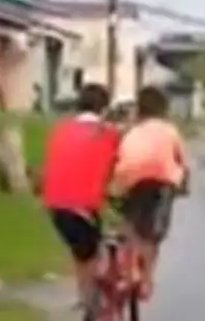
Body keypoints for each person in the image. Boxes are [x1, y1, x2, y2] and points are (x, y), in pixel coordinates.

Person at [41, 83, 121, 305]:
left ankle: (84, 299)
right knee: (94, 250)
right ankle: (93, 299)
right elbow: (118, 167)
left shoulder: (60, 131)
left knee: (80, 251)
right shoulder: (109, 134)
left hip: (55, 205)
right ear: (104, 109)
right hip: (86, 204)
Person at [113, 85, 189, 300]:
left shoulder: (132, 130)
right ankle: (146, 281)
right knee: (153, 236)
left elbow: (122, 156)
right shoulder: (169, 130)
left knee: (128, 224)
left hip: (130, 180)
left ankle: (130, 273)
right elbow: (182, 161)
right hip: (161, 182)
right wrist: (183, 185)